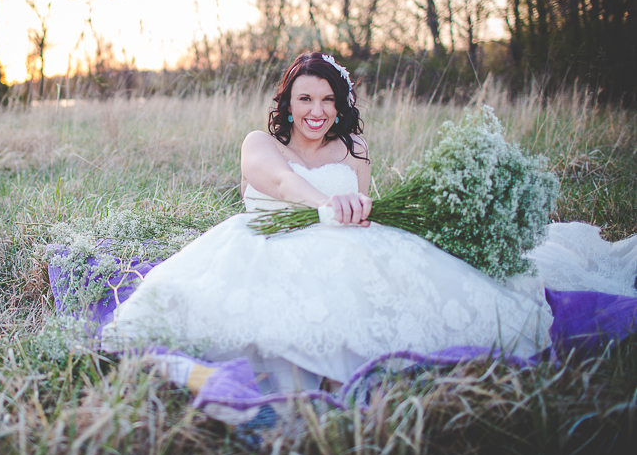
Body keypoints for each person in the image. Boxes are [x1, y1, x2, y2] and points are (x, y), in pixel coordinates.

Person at [101, 52, 636, 393]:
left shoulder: (352, 146)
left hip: (345, 248)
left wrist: (352, 211)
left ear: (340, 107)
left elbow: (362, 202)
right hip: (261, 249)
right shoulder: (259, 144)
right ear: (286, 103)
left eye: (327, 101)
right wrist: (324, 206)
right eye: (305, 98)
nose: (316, 110)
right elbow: (283, 185)